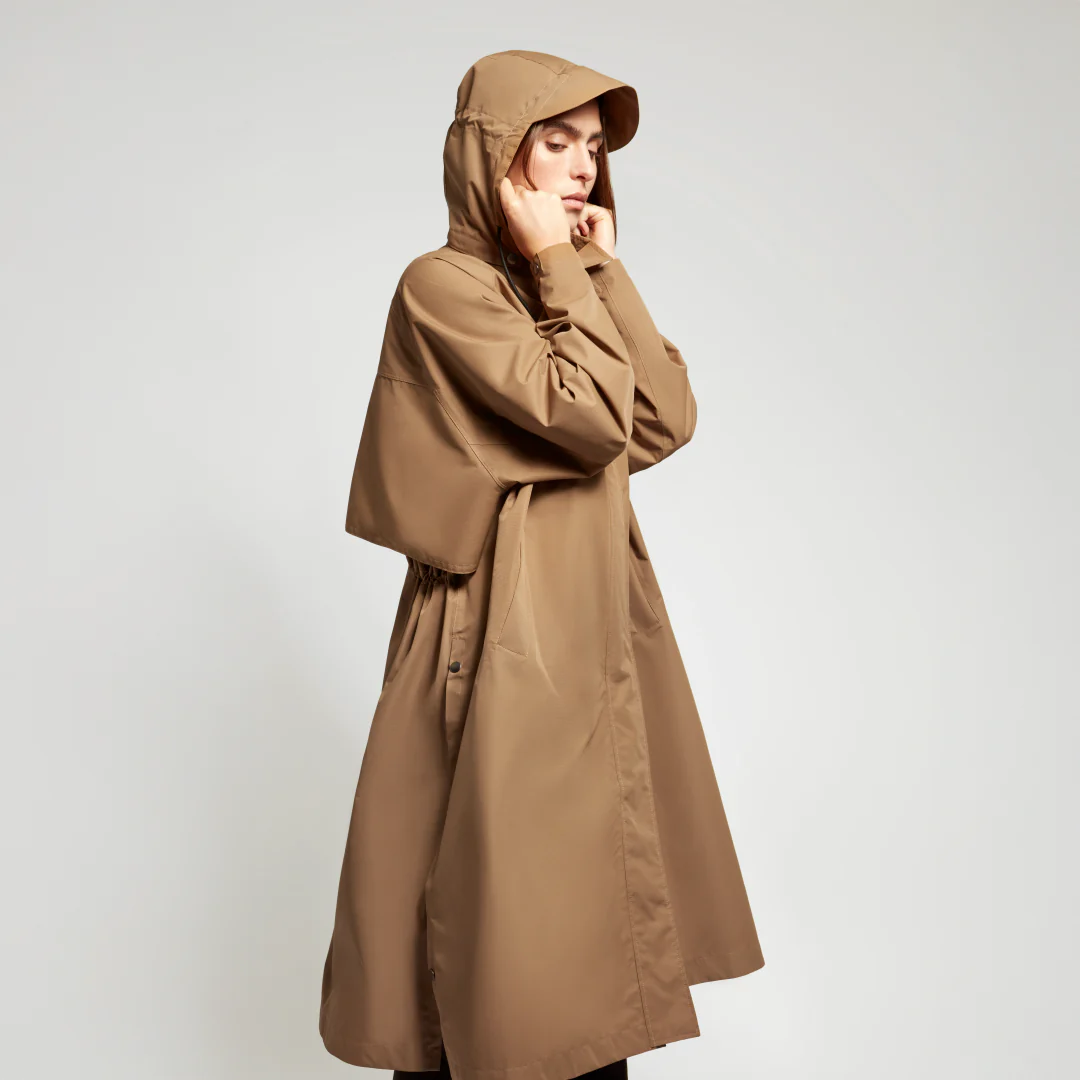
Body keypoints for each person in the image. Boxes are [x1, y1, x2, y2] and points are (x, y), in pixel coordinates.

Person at [318, 50, 765, 1080]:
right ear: (492, 154)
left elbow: (662, 417)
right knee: (505, 937)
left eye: (594, 149)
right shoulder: (443, 286)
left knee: (582, 944)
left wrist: (600, 270)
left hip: (590, 630)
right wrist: (565, 267)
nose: (582, 167)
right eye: (555, 141)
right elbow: (592, 416)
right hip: (494, 633)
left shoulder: (558, 288)